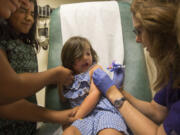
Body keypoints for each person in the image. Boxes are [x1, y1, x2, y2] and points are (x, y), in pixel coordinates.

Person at [92, 1, 180, 135]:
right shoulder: (175, 71)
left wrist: (113, 94)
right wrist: (120, 91)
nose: (137, 39)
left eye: (139, 31)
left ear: (160, 32)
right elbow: (157, 111)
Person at [0, 0, 77, 134]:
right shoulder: (6, 44)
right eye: (23, 11)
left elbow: (29, 82)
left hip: (29, 126)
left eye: (33, 14)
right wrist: (54, 75)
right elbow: (8, 90)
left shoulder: (29, 47)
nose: (29, 18)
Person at [58, 36, 130, 135]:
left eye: (88, 53)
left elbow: (94, 94)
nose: (85, 57)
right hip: (83, 119)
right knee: (69, 133)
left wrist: (75, 117)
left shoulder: (94, 70)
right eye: (79, 56)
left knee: (109, 132)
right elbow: (63, 99)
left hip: (102, 112)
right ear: (69, 60)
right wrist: (60, 82)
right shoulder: (69, 78)